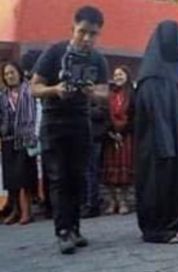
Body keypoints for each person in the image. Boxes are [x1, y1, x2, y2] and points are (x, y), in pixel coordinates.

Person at [30, 5, 110, 254]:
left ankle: (75, 228)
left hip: (80, 122)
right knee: (58, 178)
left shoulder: (98, 59)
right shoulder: (54, 52)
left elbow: (105, 93)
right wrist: (55, 90)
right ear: (72, 29)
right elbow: (34, 87)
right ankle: (62, 231)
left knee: (77, 177)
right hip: (53, 122)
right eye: (82, 32)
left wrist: (91, 93)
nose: (86, 38)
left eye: (92, 34)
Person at [134, 20, 178, 245]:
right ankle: (158, 230)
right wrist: (167, 145)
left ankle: (166, 227)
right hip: (158, 145)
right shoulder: (154, 78)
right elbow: (156, 115)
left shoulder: (163, 72)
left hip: (166, 142)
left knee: (164, 184)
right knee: (156, 185)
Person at [0, 62, 38, 225]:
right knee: (11, 179)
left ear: (19, 73)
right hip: (8, 139)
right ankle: (15, 211)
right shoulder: (3, 95)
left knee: (24, 178)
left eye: (12, 72)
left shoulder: (29, 91)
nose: (10, 76)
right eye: (6, 74)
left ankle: (26, 212)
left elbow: (37, 113)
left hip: (26, 139)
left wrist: (35, 134)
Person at [102, 66, 134, 215]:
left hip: (127, 136)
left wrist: (123, 131)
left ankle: (123, 201)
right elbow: (104, 113)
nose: (118, 77)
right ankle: (112, 201)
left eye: (120, 74)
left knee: (125, 170)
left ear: (127, 75)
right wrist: (111, 131)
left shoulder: (133, 94)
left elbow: (134, 114)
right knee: (110, 171)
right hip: (110, 137)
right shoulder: (109, 94)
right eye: (115, 75)